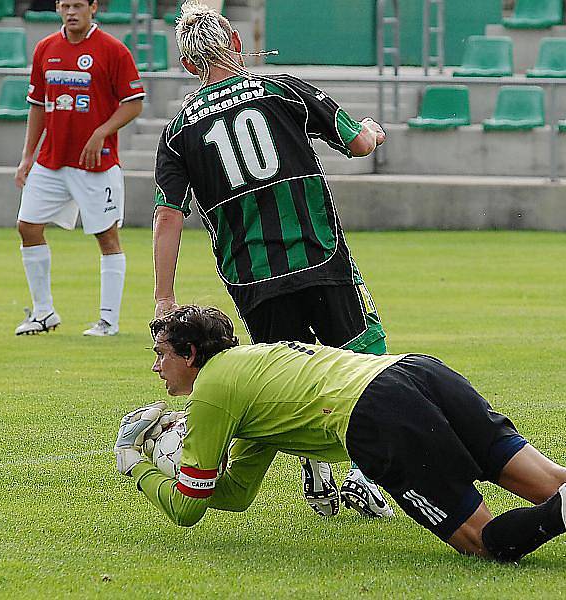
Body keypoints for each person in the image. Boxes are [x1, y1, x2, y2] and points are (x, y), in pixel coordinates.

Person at [115, 305, 566, 570]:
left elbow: (192, 508)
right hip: (418, 372)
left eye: (163, 356)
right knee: (552, 474)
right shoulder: (252, 373)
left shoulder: (211, 391)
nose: (157, 368)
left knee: (484, 543)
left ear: (193, 354)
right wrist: (207, 464)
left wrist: (137, 464)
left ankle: (558, 517)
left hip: (378, 417)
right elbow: (234, 493)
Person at [152, 2, 389, 516]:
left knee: (286, 377)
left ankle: (318, 474)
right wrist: (370, 128)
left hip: (250, 273)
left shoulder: (177, 133)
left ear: (188, 66)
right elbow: (358, 144)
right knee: (368, 354)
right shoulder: (283, 89)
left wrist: (164, 296)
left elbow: (168, 217)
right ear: (235, 42)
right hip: (317, 252)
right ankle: (365, 476)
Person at [14, 0, 144, 337]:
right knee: (27, 227)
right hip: (52, 160)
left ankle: (108, 321)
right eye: (65, 5)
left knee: (107, 236)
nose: (71, 12)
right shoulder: (45, 48)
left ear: (94, 7)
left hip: (95, 164)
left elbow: (134, 103)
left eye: (78, 5)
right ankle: (44, 313)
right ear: (58, 8)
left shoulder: (113, 50)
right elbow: (38, 106)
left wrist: (101, 131)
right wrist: (28, 155)